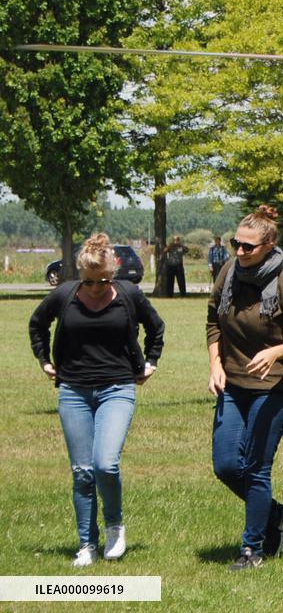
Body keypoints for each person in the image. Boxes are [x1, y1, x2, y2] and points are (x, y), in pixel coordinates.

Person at [28, 233, 165, 567]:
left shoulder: (128, 294)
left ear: (113, 269)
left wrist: (150, 362)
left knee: (106, 463)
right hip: (73, 390)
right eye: (89, 282)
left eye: (102, 280)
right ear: (79, 275)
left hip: (117, 388)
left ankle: (115, 525)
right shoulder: (64, 295)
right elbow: (37, 324)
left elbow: (156, 328)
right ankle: (86, 545)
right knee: (82, 471)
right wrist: (44, 360)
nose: (96, 288)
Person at [207, 205, 283, 570]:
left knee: (256, 467)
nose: (239, 252)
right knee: (226, 465)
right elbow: (213, 318)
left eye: (248, 247)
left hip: (275, 385)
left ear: (270, 246)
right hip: (234, 382)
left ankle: (252, 549)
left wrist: (276, 351)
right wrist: (215, 364)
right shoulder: (229, 273)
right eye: (235, 244)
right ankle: (273, 512)